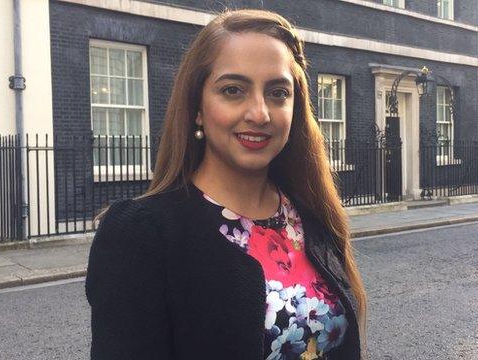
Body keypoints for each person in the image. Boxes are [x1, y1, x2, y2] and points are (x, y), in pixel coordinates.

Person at [85, 9, 366, 360]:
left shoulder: (309, 213)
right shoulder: (142, 234)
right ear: (198, 107)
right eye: (233, 90)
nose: (260, 113)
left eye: (278, 92)